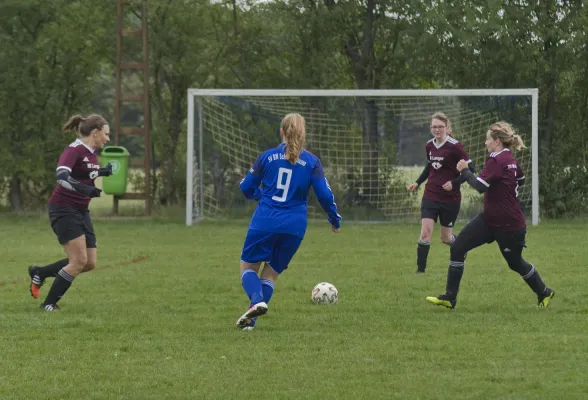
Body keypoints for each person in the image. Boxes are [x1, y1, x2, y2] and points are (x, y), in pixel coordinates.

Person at [426, 121, 554, 309]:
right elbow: (521, 179)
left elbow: (479, 186)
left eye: (487, 140)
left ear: (496, 142)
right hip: (489, 219)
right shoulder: (510, 158)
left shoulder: (497, 160)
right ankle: (449, 297)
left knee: (515, 263)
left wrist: (464, 170)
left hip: (509, 225)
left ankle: (544, 292)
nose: (485, 143)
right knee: (458, 247)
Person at [236, 113, 341, 330]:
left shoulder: (266, 157)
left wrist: (259, 195)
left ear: (282, 132)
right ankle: (249, 321)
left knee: (248, 267)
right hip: (294, 227)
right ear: (303, 134)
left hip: (265, 221)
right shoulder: (312, 162)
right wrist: (333, 217)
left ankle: (256, 300)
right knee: (271, 274)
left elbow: (246, 187)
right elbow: (324, 194)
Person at [28, 114, 112, 311]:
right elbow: (62, 176)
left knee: (89, 262)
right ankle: (48, 304)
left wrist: (101, 172)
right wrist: (85, 189)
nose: (108, 139)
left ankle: (40, 272)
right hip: (63, 209)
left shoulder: (91, 152)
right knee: (79, 261)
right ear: (96, 132)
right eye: (106, 134)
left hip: (81, 210)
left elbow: (84, 172)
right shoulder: (73, 150)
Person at [408, 112, 475, 273]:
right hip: (430, 194)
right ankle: (420, 271)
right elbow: (429, 166)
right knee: (425, 233)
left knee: (445, 238)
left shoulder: (455, 146)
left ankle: (460, 245)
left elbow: (470, 170)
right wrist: (417, 182)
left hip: (450, 199)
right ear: (430, 128)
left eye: (440, 126)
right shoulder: (429, 146)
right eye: (434, 127)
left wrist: (454, 183)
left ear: (447, 127)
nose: (437, 129)